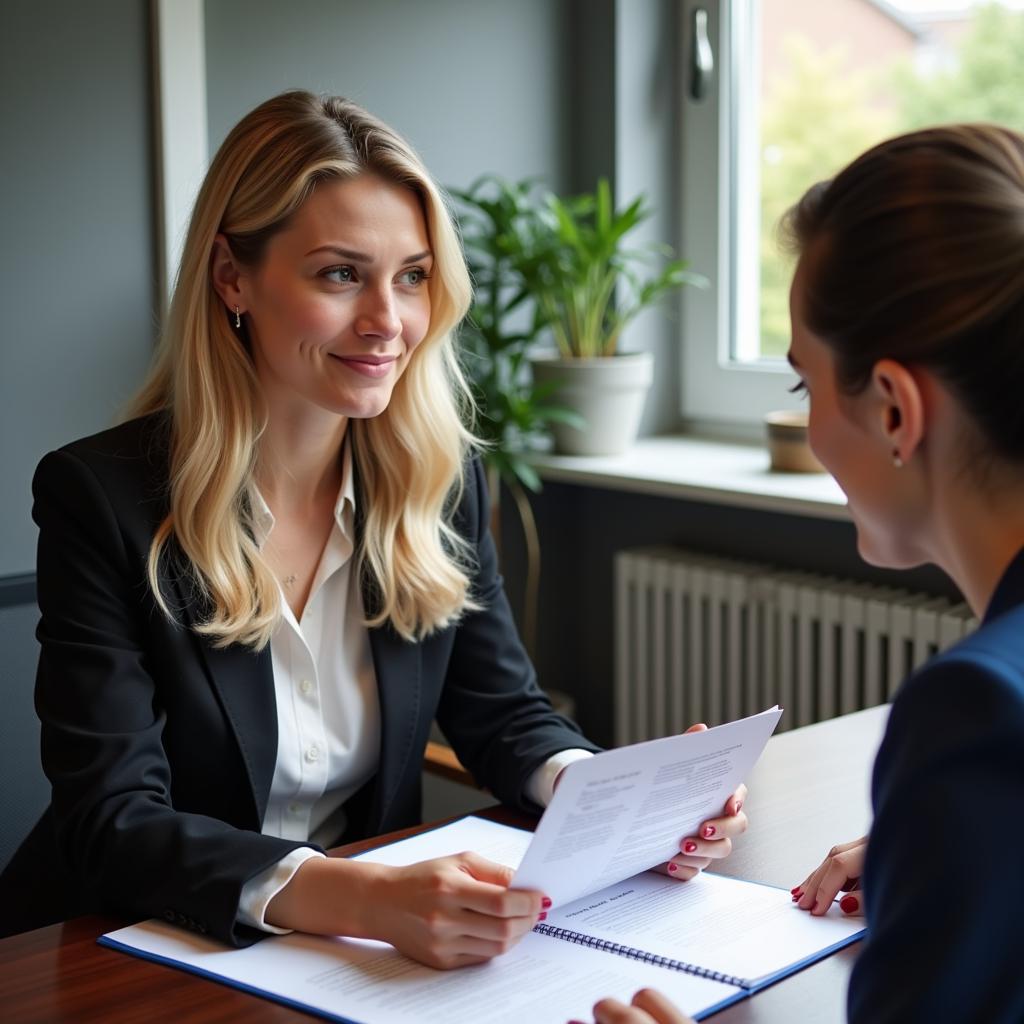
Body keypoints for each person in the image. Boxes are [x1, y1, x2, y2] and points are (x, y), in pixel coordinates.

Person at [0, 91, 747, 967]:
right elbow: (113, 820)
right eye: (339, 273)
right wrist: (361, 896)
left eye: (413, 276)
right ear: (232, 277)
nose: (388, 322)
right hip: (123, 947)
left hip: (348, 956)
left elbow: (503, 712)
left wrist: (618, 802)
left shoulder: (437, 479)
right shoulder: (102, 497)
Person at [583, 123, 1024, 1023]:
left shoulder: (974, 715)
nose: (809, 428)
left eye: (804, 387)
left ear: (896, 410)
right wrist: (950, 852)